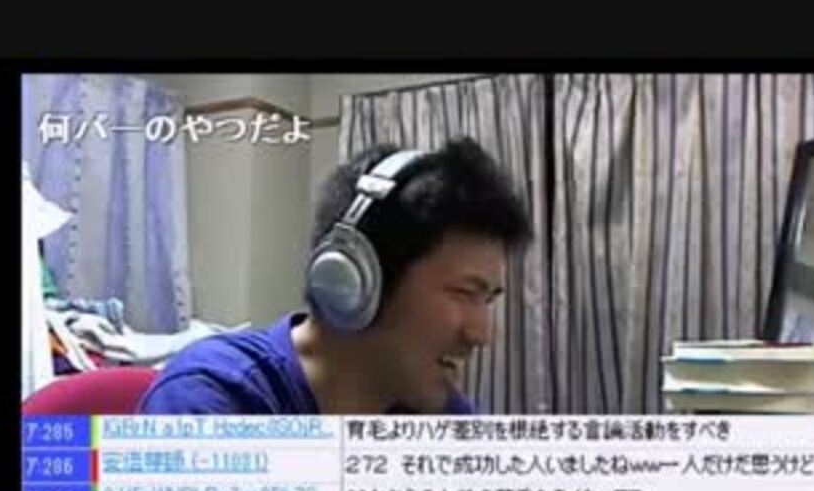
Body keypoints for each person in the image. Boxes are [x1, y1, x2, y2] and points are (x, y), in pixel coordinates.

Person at [138, 137, 532, 415]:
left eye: (488, 299)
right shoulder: (213, 398)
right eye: (464, 292)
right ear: (353, 283)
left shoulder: (436, 411)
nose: (482, 334)